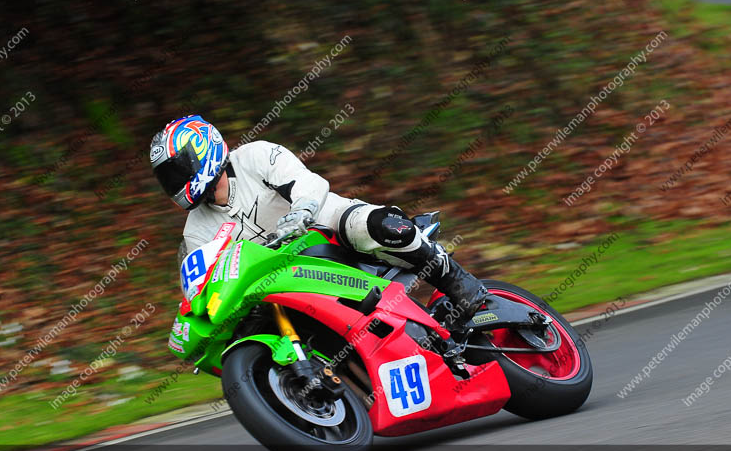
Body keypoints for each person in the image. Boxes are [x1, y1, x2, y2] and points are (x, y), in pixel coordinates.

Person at [149, 115, 487, 335]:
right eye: (167, 177)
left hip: (321, 227)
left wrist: (301, 212)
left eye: (176, 170)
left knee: (375, 225)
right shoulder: (195, 230)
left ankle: (456, 280)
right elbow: (201, 283)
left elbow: (306, 183)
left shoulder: (254, 156)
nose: (173, 182)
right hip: (277, 283)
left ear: (201, 150)